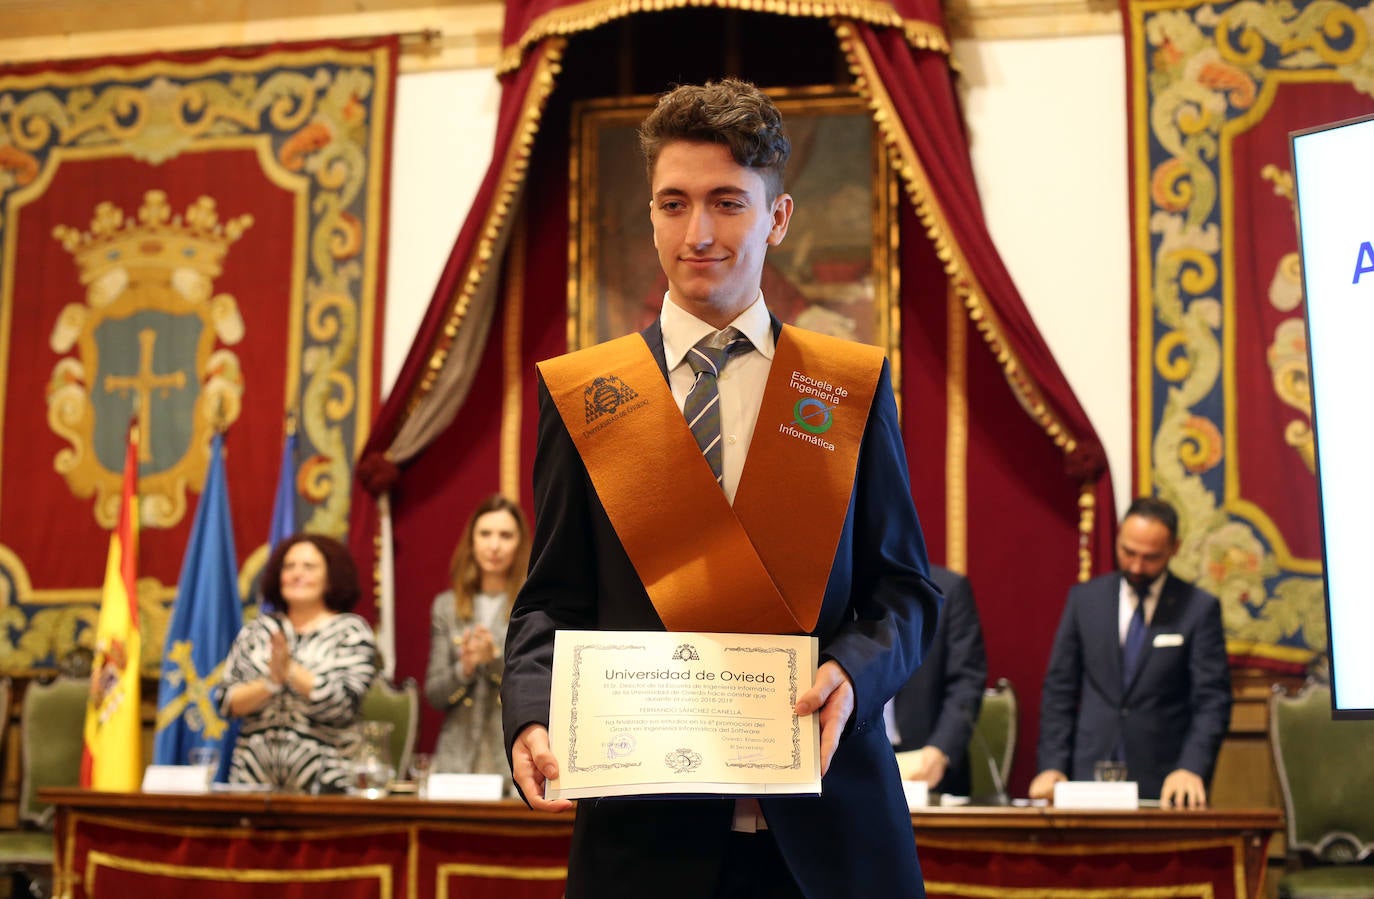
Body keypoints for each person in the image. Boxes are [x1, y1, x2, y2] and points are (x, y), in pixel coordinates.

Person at [501, 79, 941, 899]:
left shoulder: (849, 386)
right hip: (645, 838)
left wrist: (855, 671)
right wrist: (529, 707)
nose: (698, 233)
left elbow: (905, 592)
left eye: (727, 203)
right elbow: (550, 598)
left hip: (831, 831)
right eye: (674, 203)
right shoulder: (587, 394)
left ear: (777, 218)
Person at [1029, 496, 1232, 808]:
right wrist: (1052, 764)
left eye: (1151, 557)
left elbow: (1212, 700)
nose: (1136, 566)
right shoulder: (1085, 600)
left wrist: (1192, 767)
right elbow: (1060, 689)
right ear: (1120, 535)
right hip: (1086, 774)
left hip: (1164, 780)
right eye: (1128, 552)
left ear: (1174, 549)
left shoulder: (1198, 609)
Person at [219, 533, 378, 792]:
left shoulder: (350, 631)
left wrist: (291, 670)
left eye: (309, 567)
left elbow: (344, 705)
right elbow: (227, 702)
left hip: (327, 786)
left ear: (331, 577)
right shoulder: (258, 631)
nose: (296, 574)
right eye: (289, 566)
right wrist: (271, 682)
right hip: (252, 782)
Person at [423, 494, 529, 794]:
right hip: (456, 764)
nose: (494, 545)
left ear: (520, 544)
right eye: (485, 534)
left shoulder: (532, 606)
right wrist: (466, 666)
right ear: (471, 541)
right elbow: (434, 695)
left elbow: (545, 688)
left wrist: (494, 660)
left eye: (505, 535)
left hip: (511, 760)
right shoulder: (447, 606)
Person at [888, 565, 989, 798]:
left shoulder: (948, 589)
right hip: (849, 763)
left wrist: (942, 748)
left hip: (928, 765)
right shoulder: (837, 589)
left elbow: (966, 682)